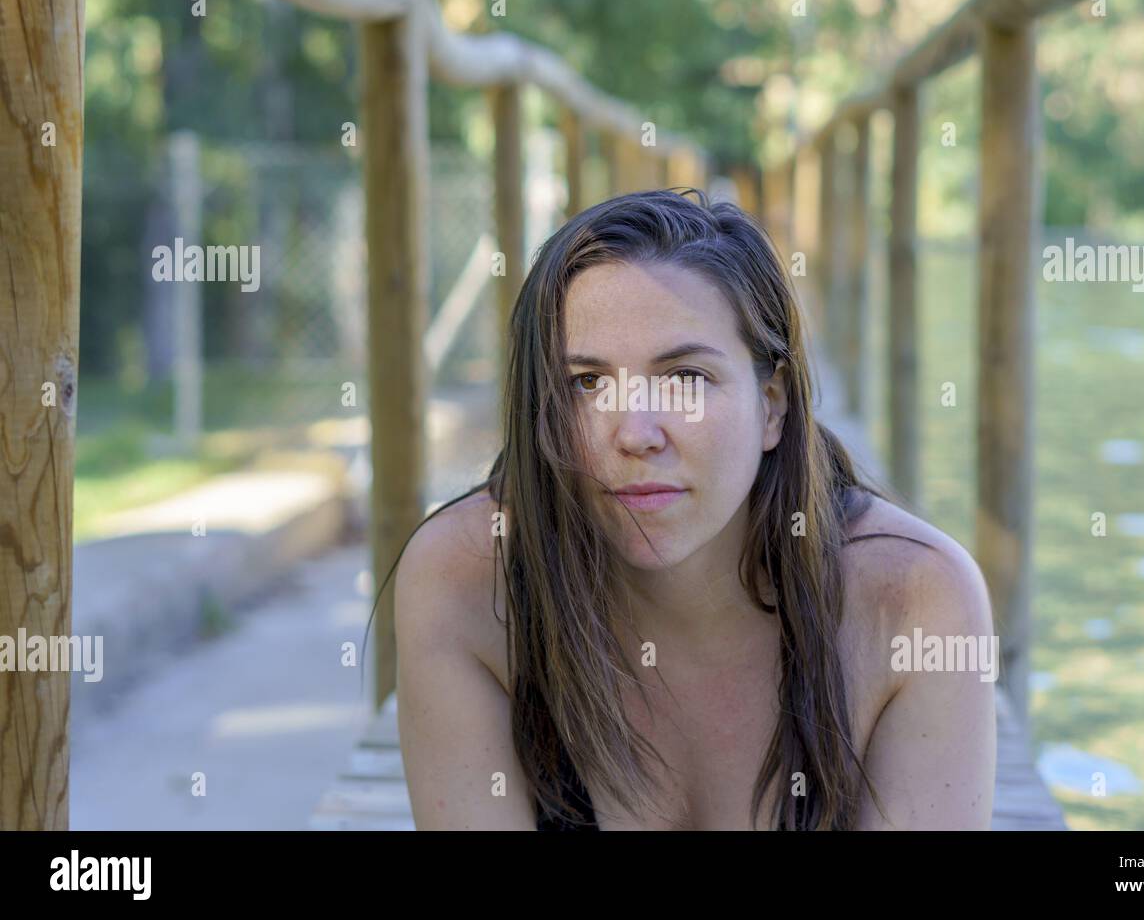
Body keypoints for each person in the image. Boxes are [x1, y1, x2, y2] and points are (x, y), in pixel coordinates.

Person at [378, 188, 996, 830]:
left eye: (685, 379)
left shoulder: (915, 602)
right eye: (586, 384)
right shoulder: (470, 578)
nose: (635, 432)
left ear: (774, 405)